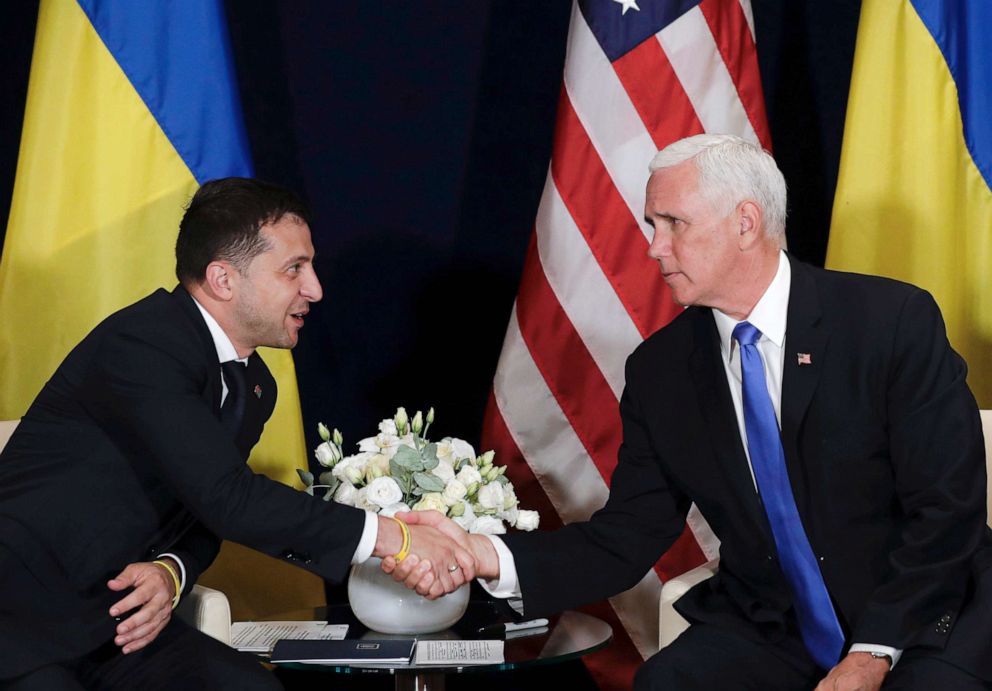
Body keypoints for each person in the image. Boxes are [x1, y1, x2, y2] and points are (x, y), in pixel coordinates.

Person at [389, 135, 992, 689]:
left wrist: (872, 651)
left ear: (746, 223)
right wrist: (482, 553)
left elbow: (948, 510)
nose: (653, 247)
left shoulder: (888, 323)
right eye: (652, 224)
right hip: (775, 626)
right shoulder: (662, 370)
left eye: (672, 223)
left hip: (923, 612)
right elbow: (625, 538)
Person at [0, 178, 475, 690]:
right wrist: (396, 538)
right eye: (295, 268)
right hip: (21, 618)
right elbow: (229, 498)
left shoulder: (254, 385)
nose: (315, 289)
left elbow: (203, 513)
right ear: (223, 279)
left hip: (119, 624)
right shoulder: (143, 344)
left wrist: (171, 570)